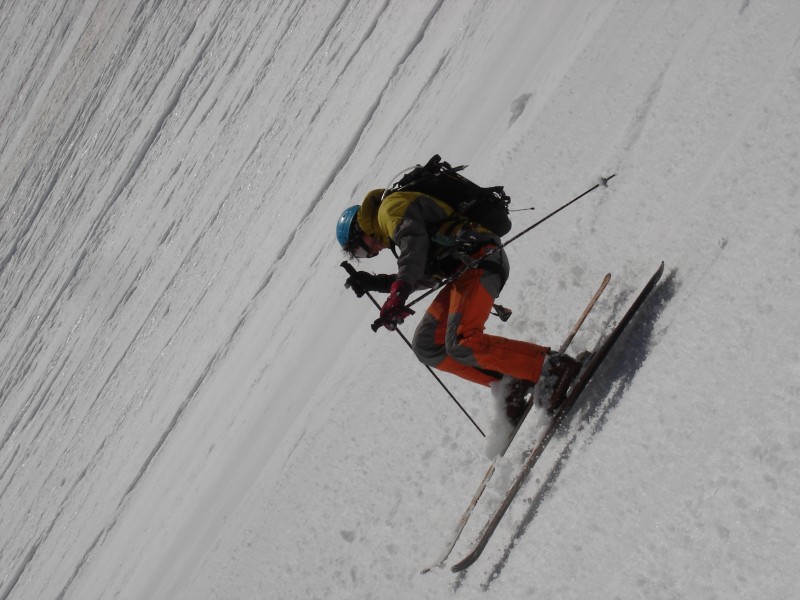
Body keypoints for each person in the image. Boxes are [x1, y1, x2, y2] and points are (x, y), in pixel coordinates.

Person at [337, 185, 579, 424]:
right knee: (426, 345)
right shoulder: (389, 224)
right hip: (464, 270)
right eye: (362, 256)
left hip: (481, 258)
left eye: (361, 250)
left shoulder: (389, 209)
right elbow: (425, 272)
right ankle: (511, 381)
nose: (372, 254)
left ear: (361, 229)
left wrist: (398, 294)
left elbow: (414, 245)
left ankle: (551, 367)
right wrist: (377, 283)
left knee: (461, 339)